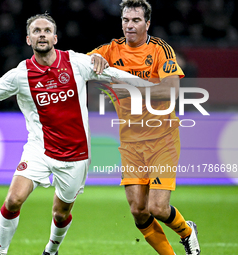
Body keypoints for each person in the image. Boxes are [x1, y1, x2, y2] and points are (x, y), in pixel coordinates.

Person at [0, 13, 154, 255]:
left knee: (60, 214)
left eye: (47, 30)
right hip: (39, 149)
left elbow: (114, 75)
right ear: (28, 39)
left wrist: (152, 88)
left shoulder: (76, 63)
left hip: (76, 154)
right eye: (37, 31)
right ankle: (0, 252)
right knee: (13, 200)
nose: (42, 34)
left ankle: (51, 249)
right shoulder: (21, 75)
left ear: (55, 37)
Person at [88, 1, 201, 255]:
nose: (130, 25)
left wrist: (130, 86)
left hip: (162, 138)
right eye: (126, 20)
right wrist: (92, 59)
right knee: (139, 211)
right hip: (130, 142)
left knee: (158, 208)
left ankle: (187, 231)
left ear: (147, 23)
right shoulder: (109, 50)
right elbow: (80, 64)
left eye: (136, 20)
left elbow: (171, 91)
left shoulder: (161, 50)